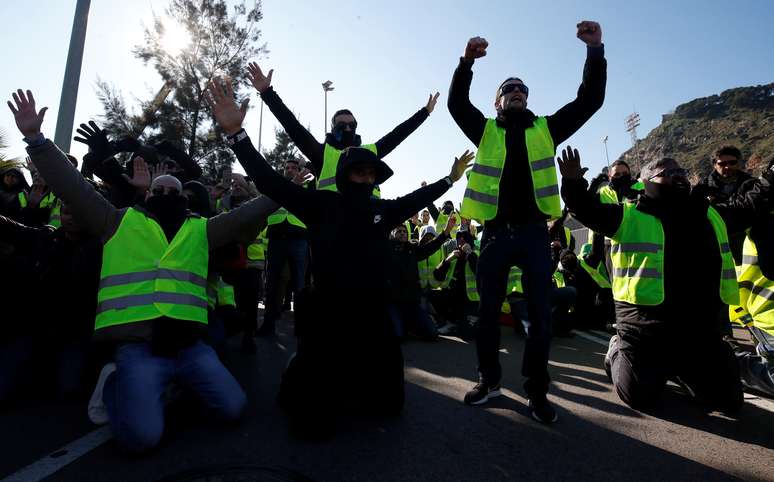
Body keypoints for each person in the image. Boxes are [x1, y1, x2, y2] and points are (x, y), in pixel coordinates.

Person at [8, 89, 278, 453]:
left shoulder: (202, 228)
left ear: (185, 199)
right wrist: (36, 140)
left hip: (189, 347)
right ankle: (117, 383)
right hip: (138, 349)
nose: (166, 192)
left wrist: (277, 179)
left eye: (173, 190)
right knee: (142, 438)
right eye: (158, 189)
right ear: (146, 196)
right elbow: (70, 185)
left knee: (233, 409)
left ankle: (170, 390)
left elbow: (254, 210)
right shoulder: (115, 222)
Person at [205, 77, 472, 433]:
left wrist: (449, 181)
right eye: (358, 172)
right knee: (312, 424)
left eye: (370, 174)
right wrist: (237, 134)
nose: (364, 179)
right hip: (328, 312)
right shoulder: (319, 204)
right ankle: (301, 366)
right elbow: (269, 181)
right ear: (344, 175)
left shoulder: (382, 210)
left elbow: (414, 200)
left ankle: (354, 375)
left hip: (373, 311)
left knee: (388, 406)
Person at [448, 21, 607, 422]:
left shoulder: (546, 128)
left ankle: (537, 392)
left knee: (540, 319)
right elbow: (456, 105)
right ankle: (489, 380)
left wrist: (595, 51)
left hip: (536, 236)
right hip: (496, 236)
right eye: (508, 90)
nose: (516, 93)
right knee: (487, 315)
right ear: (497, 101)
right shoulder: (484, 130)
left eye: (521, 89)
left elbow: (589, 101)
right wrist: (466, 62)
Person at [559, 146, 769, 412]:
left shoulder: (709, 213)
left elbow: (748, 207)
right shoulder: (628, 215)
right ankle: (617, 350)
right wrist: (573, 182)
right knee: (639, 397)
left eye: (680, 171)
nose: (678, 175)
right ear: (646, 181)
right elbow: (584, 209)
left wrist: (768, 179)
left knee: (728, 403)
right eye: (667, 172)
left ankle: (683, 369)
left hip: (699, 332)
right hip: (645, 333)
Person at [247, 61, 439, 195]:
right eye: (342, 125)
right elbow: (292, 125)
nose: (348, 129)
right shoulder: (322, 153)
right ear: (333, 128)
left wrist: (425, 112)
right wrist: (267, 93)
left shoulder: (368, 152)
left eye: (352, 125)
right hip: (329, 227)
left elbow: (398, 135)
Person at [259, 158, 310, 337]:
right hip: (276, 238)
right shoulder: (276, 186)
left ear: (299, 170)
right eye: (287, 168)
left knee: (300, 284)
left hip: (299, 238)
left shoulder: (307, 187)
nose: (289, 170)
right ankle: (268, 323)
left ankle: (302, 326)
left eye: (293, 168)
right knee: (271, 283)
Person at [387, 215, 457, 340]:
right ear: (392, 234)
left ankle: (409, 325)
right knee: (399, 336)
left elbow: (430, 247)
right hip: (394, 303)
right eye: (399, 231)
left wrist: (446, 232)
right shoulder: (386, 250)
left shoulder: (412, 249)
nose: (402, 233)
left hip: (412, 303)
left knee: (432, 334)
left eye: (404, 232)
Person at [432, 229, 480, 338]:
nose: (462, 240)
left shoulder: (476, 253)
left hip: (471, 301)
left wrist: (470, 254)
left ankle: (459, 325)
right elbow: (437, 276)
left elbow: (481, 273)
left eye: (465, 238)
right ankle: (449, 321)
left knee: (467, 334)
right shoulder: (453, 254)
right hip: (454, 299)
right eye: (459, 238)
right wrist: (447, 260)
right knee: (432, 294)